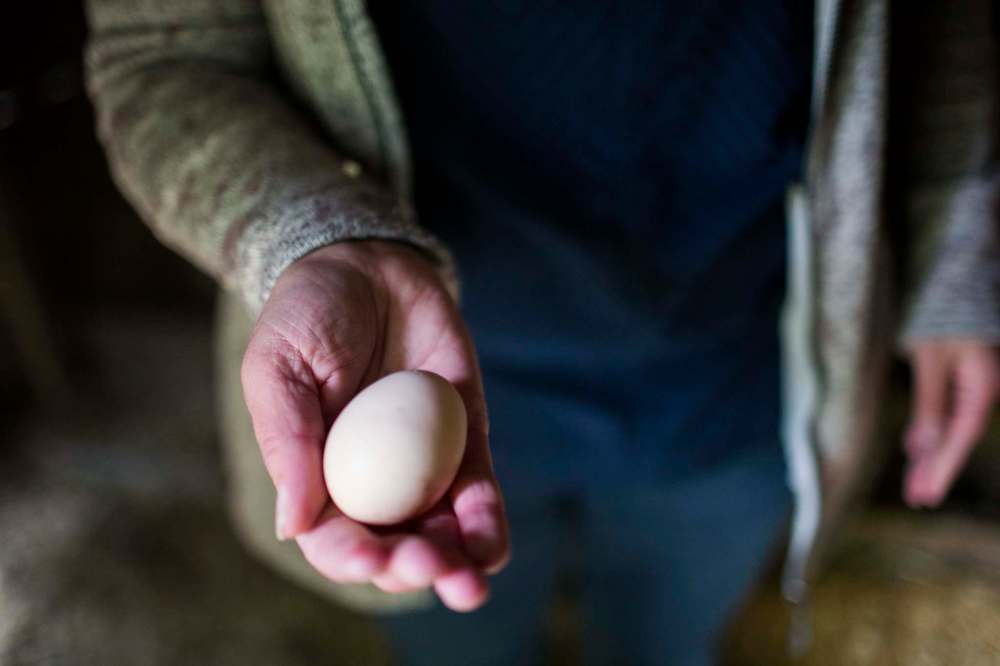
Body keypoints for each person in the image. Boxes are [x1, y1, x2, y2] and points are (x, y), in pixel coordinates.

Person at [84, 1, 999, 664]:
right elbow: (160, 55)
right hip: (401, 360)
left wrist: (952, 263)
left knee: (667, 638)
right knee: (462, 641)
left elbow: (941, 21)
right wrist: (317, 237)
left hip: (745, 371)